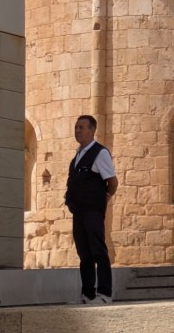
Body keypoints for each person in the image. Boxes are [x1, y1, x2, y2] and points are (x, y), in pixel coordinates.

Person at [65, 115, 118, 304]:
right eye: (76, 127)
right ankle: (88, 294)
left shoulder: (99, 153)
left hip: (93, 211)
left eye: (82, 127)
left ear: (92, 130)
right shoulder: (77, 157)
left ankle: (104, 293)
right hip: (79, 212)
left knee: (98, 250)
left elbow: (112, 181)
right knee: (84, 253)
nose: (78, 130)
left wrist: (106, 196)